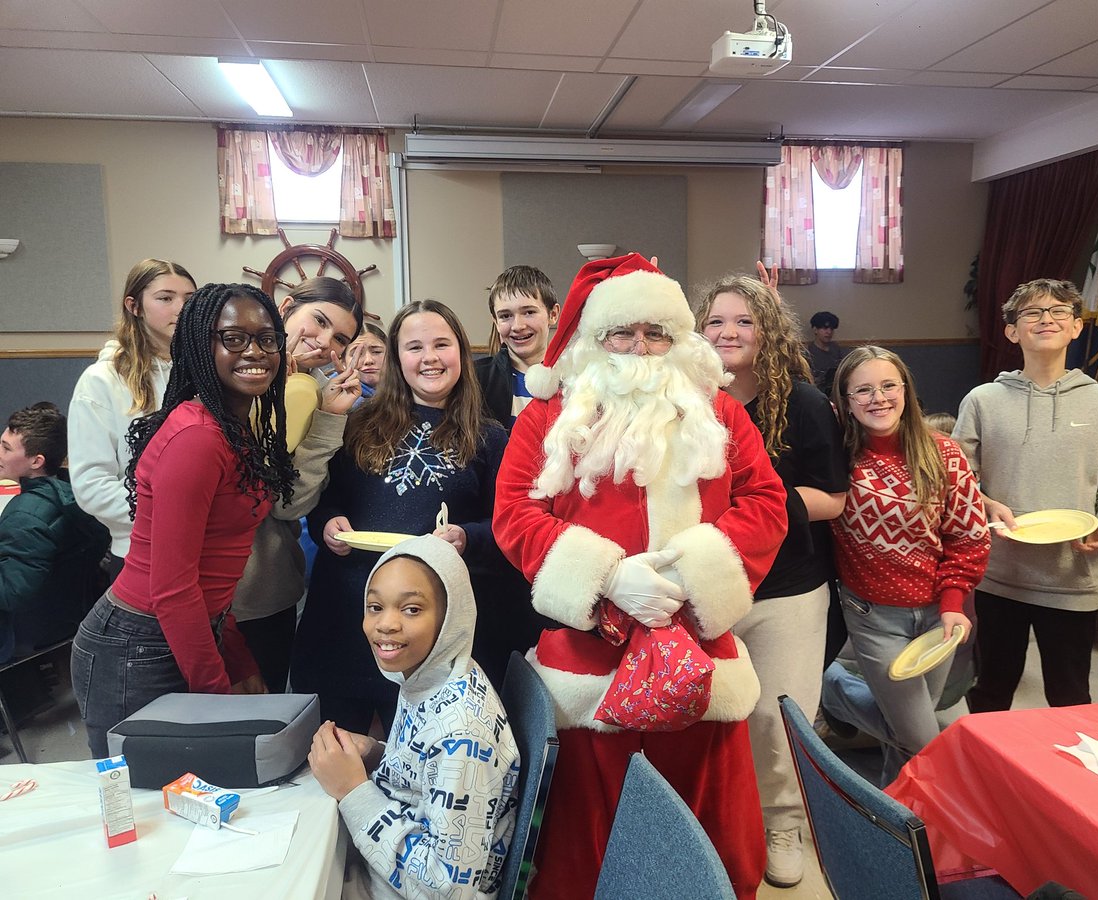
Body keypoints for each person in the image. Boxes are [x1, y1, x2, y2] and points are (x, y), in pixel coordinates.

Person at [493, 253, 788, 899]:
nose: (640, 348)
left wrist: (692, 574)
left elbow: (766, 502)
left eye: (657, 333)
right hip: (589, 657)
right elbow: (514, 511)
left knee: (707, 830)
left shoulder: (719, 411)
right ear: (593, 340)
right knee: (591, 837)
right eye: (622, 333)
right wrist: (607, 578)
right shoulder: (550, 417)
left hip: (698, 651)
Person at [70, 283, 296, 759]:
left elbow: (213, 569)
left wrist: (233, 654)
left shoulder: (230, 427)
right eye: (233, 338)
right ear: (199, 344)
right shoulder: (198, 436)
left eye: (267, 338)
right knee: (145, 805)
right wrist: (216, 698)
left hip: (186, 629)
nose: (254, 351)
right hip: (137, 645)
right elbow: (172, 587)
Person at [294, 300, 513, 733]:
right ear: (396, 358)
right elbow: (322, 499)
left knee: (418, 773)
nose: (429, 357)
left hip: (430, 637)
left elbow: (505, 526)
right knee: (329, 763)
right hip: (344, 619)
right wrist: (327, 524)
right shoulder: (356, 423)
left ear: (461, 354)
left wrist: (467, 537)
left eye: (441, 344)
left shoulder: (490, 437)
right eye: (414, 347)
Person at [695, 274, 847, 888]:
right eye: (715, 322)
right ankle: (719, 821)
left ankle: (784, 824)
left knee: (779, 717)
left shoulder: (804, 405)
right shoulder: (688, 402)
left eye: (744, 321)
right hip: (709, 587)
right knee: (712, 714)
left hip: (786, 587)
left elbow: (833, 499)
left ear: (769, 333)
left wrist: (755, 504)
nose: (728, 333)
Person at [954, 278, 1098, 713]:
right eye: (1032, 312)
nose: (1046, 319)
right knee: (990, 694)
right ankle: (986, 776)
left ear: (1077, 327)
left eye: (1059, 311)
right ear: (1012, 331)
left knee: (1070, 697)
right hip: (1000, 574)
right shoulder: (983, 400)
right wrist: (982, 503)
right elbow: (957, 482)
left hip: (1072, 578)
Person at [309, 534, 519, 900]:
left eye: (411, 609)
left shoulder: (463, 735)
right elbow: (426, 772)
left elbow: (448, 890)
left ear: (450, 616)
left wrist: (352, 791)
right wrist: (376, 753)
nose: (386, 624)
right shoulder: (430, 675)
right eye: (375, 607)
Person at [820, 346, 989, 786]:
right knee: (923, 739)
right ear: (845, 401)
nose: (878, 398)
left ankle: (898, 814)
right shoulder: (836, 456)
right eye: (863, 390)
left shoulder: (944, 453)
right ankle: (835, 691)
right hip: (873, 616)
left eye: (888, 385)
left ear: (906, 390)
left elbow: (968, 535)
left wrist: (953, 600)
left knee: (908, 726)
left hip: (938, 614)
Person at [231, 276, 363, 693]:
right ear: (286, 307)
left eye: (340, 339)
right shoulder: (226, 369)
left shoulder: (321, 396)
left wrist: (328, 420)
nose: (325, 342)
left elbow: (286, 506)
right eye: (319, 321)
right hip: (193, 589)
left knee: (260, 721)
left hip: (264, 589)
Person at [68, 259, 196, 582]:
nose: (180, 307)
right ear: (134, 305)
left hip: (205, 552)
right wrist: (170, 515)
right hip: (141, 554)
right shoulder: (102, 380)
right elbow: (91, 485)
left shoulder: (207, 373)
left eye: (189, 299)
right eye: (165, 298)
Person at [0, 403, 108, 663]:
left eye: (6, 448)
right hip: (64, 626)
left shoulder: (26, 516)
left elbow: (11, 591)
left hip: (24, 640)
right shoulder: (74, 495)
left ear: (37, 461)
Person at [475, 265, 560, 429]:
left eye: (529, 312)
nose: (517, 326)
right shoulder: (475, 381)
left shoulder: (577, 379)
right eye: (505, 316)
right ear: (496, 321)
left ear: (553, 314)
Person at [348, 322, 387, 408]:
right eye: (356, 354)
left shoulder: (407, 392)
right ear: (342, 362)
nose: (368, 360)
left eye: (377, 352)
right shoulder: (332, 397)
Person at [807, 311, 846, 395]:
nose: (829, 332)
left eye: (831, 329)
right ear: (815, 330)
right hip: (818, 393)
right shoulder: (809, 352)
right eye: (825, 328)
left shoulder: (836, 348)